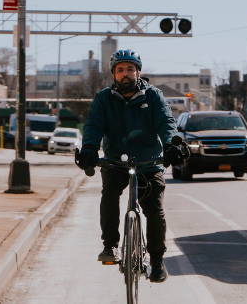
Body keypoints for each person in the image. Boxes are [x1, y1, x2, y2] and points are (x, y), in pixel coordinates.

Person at [75, 49, 186, 283]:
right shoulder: (104, 98)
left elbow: (166, 122)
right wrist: (89, 150)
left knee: (154, 209)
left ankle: (157, 260)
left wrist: (171, 144)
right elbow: (94, 126)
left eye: (130, 69)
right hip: (116, 160)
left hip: (149, 161)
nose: (125, 74)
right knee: (110, 194)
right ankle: (111, 246)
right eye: (120, 70)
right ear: (114, 74)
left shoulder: (153, 95)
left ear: (138, 72)